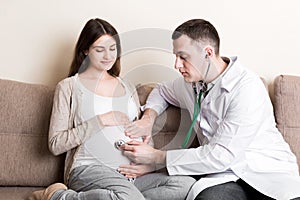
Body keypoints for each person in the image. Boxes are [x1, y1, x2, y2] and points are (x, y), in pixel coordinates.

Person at [119, 19, 300, 200]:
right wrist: (148, 119)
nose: (176, 65)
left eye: (183, 57)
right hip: (226, 177)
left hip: (266, 174)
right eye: (176, 56)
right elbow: (161, 91)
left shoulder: (246, 88)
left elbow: (220, 156)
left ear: (207, 53)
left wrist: (156, 158)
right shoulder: (191, 84)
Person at [28, 18, 195, 200]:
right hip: (89, 169)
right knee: (127, 197)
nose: (108, 56)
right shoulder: (69, 87)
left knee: (186, 185)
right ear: (85, 51)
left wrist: (146, 160)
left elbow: (141, 134)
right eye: (100, 50)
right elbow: (55, 144)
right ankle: (56, 195)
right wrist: (102, 120)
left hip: (128, 175)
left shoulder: (127, 86)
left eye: (112, 49)